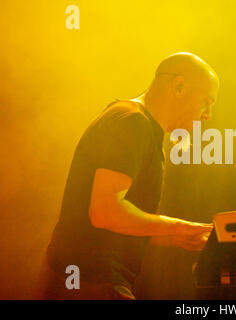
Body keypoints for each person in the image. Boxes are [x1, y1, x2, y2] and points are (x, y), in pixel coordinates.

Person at [40, 52, 219, 299]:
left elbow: (115, 224)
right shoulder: (132, 123)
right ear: (179, 86)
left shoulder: (136, 124)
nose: (208, 115)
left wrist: (177, 236)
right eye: (207, 102)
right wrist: (176, 227)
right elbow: (104, 212)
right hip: (93, 280)